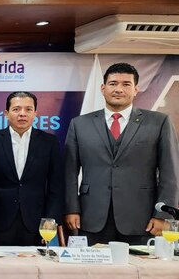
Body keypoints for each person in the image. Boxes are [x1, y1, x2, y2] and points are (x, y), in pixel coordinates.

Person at [65, 62, 179, 245]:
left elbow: (170, 172)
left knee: (141, 272)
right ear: (103, 88)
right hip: (91, 217)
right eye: (113, 83)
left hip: (142, 219)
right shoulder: (79, 124)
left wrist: (164, 215)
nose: (118, 89)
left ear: (136, 90)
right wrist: (71, 209)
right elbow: (69, 172)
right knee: (92, 273)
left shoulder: (159, 122)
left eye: (126, 84)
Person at [0, 91, 63, 246]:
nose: (22, 114)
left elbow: (56, 187)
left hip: (37, 223)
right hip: (0, 222)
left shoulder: (49, 142)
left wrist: (51, 221)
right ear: (6, 113)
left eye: (28, 109)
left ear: (35, 114)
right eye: (16, 109)